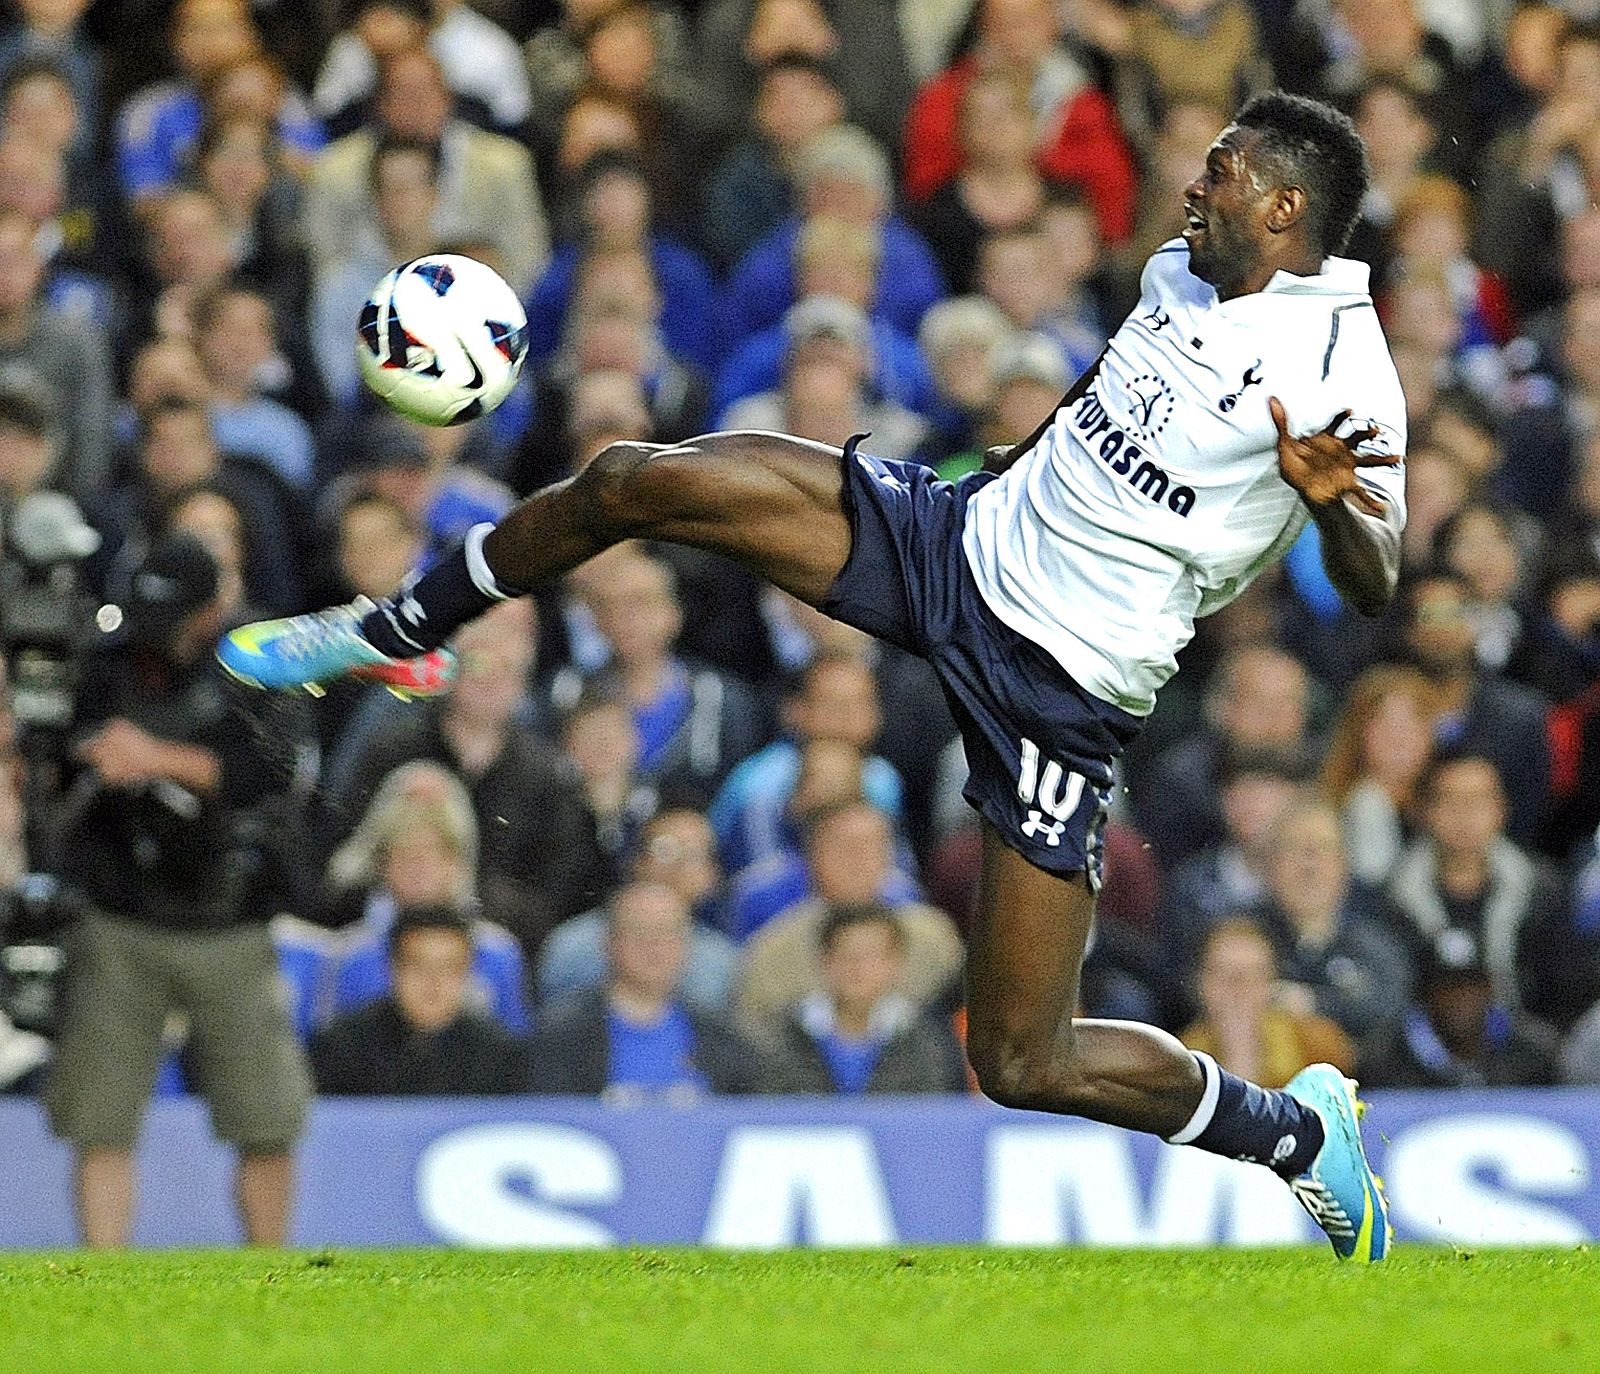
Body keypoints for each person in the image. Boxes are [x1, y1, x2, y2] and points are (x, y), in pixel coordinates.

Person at [222, 92, 1408, 1261]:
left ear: (1285, 204)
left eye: (1221, 170)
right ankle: (395, 631)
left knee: (1019, 1061)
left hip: (1062, 680)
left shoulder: (1340, 361)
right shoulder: (1180, 268)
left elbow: (1375, 573)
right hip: (954, 542)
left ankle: (1298, 1137)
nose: (1194, 186)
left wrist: (1326, 507)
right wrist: (1014, 465)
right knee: (639, 478)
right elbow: (1110, 401)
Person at [46, 535, 313, 1247]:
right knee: (100, 1117)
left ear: (215, 605)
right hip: (121, 908)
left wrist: (154, 758)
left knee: (264, 1117)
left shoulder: (262, 661)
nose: (158, 637)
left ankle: (273, 1270)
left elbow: (276, 772)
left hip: (228, 912)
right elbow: (58, 749)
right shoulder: (109, 655)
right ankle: (100, 1271)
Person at [530, 881, 759, 1097]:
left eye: (668, 931)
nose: (655, 946)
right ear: (610, 943)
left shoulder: (722, 1036)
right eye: (640, 931)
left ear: (687, 944)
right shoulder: (562, 1036)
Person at [309, 905, 531, 1096]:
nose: (434, 981)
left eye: (449, 967)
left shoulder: (498, 1053)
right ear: (393, 968)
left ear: (468, 971)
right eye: (418, 966)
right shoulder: (341, 1047)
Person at [758, 904, 968, 1094]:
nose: (859, 967)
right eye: (847, 954)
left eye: (872, 955)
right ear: (825, 962)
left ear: (896, 963)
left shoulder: (929, 1042)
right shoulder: (778, 1039)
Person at [1181, 918, 1356, 1090]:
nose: (1240, 989)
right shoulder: (1180, 1060)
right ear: (1200, 983)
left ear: (1272, 981)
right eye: (1224, 973)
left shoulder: (1319, 1045)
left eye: (1254, 975)